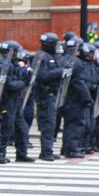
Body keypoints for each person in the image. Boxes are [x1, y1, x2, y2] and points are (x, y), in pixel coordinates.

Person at [32, 32, 65, 161]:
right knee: (48, 124)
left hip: (52, 94)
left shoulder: (51, 56)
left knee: (52, 123)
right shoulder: (41, 57)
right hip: (45, 95)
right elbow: (42, 76)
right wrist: (60, 71)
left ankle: (48, 149)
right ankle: (45, 152)